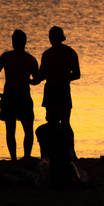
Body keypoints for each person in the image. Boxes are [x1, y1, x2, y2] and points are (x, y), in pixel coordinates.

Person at [0, 30, 40, 162]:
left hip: (9, 97)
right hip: (23, 96)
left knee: (10, 130)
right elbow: (36, 80)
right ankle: (27, 156)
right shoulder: (30, 59)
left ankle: (13, 158)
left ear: (13, 42)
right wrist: (26, 79)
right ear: (25, 42)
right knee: (28, 129)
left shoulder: (6, 57)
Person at [39, 26, 80, 161]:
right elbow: (41, 75)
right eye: (50, 36)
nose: (51, 39)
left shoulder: (69, 53)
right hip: (51, 89)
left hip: (61, 89)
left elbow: (77, 74)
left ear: (59, 37)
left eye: (53, 36)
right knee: (52, 122)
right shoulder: (47, 54)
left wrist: (62, 77)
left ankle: (70, 152)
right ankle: (54, 152)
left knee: (65, 123)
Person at [36, 107, 81, 188]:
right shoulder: (66, 130)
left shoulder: (40, 130)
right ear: (60, 118)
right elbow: (69, 150)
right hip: (64, 163)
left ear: (46, 118)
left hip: (51, 162)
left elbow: (43, 149)